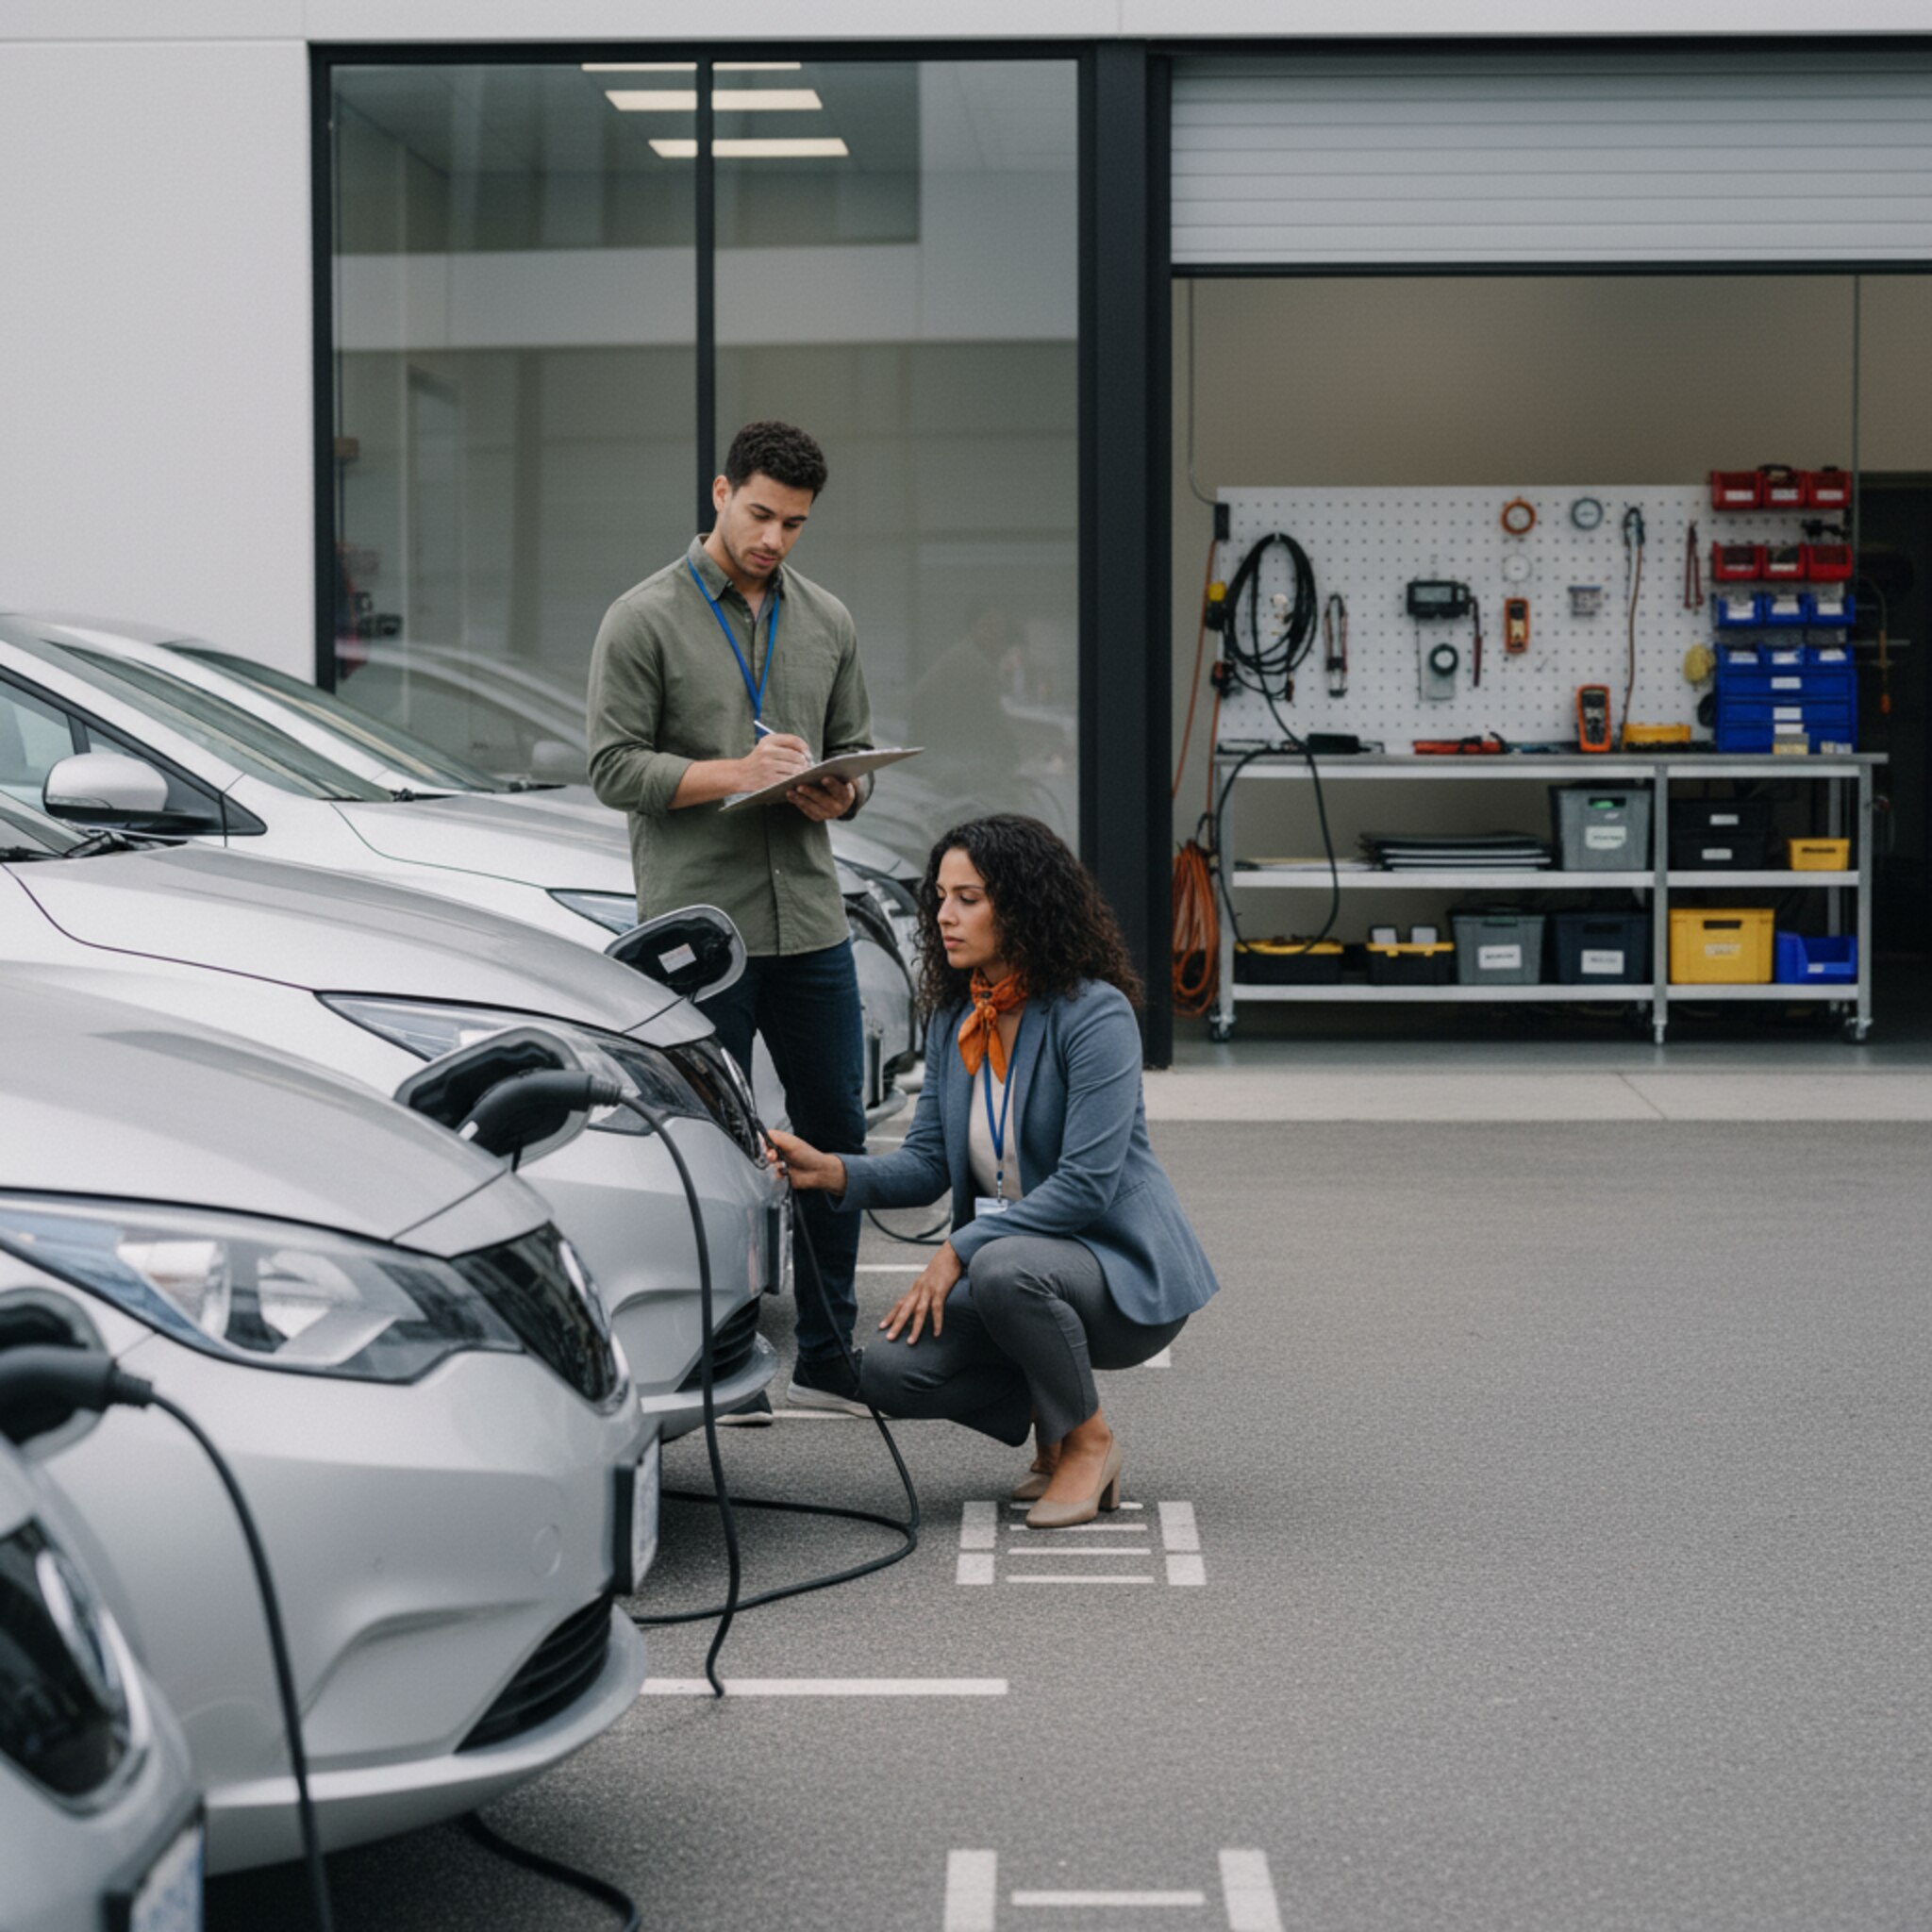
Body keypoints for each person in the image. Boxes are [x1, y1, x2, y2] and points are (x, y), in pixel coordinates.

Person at [770, 815, 1219, 1527]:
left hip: (1117, 1273)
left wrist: (957, 1251)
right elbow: (926, 1165)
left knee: (1005, 1267)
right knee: (887, 1369)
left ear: (1024, 905)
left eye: (968, 899)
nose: (944, 916)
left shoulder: (1094, 1014)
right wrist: (831, 1172)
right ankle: (1054, 1412)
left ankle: (1088, 1442)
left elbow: (1087, 1184)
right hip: (1012, 1273)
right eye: (940, 898)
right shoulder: (957, 1016)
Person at [588, 420, 875, 1419]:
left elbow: (855, 751)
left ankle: (831, 1355)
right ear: (720, 493)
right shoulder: (641, 618)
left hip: (811, 921)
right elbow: (612, 768)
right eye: (759, 515)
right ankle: (720, 1363)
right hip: (699, 934)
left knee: (835, 1131)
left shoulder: (828, 621)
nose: (773, 539)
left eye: (793, 524)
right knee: (709, 1148)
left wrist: (840, 793)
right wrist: (736, 774)